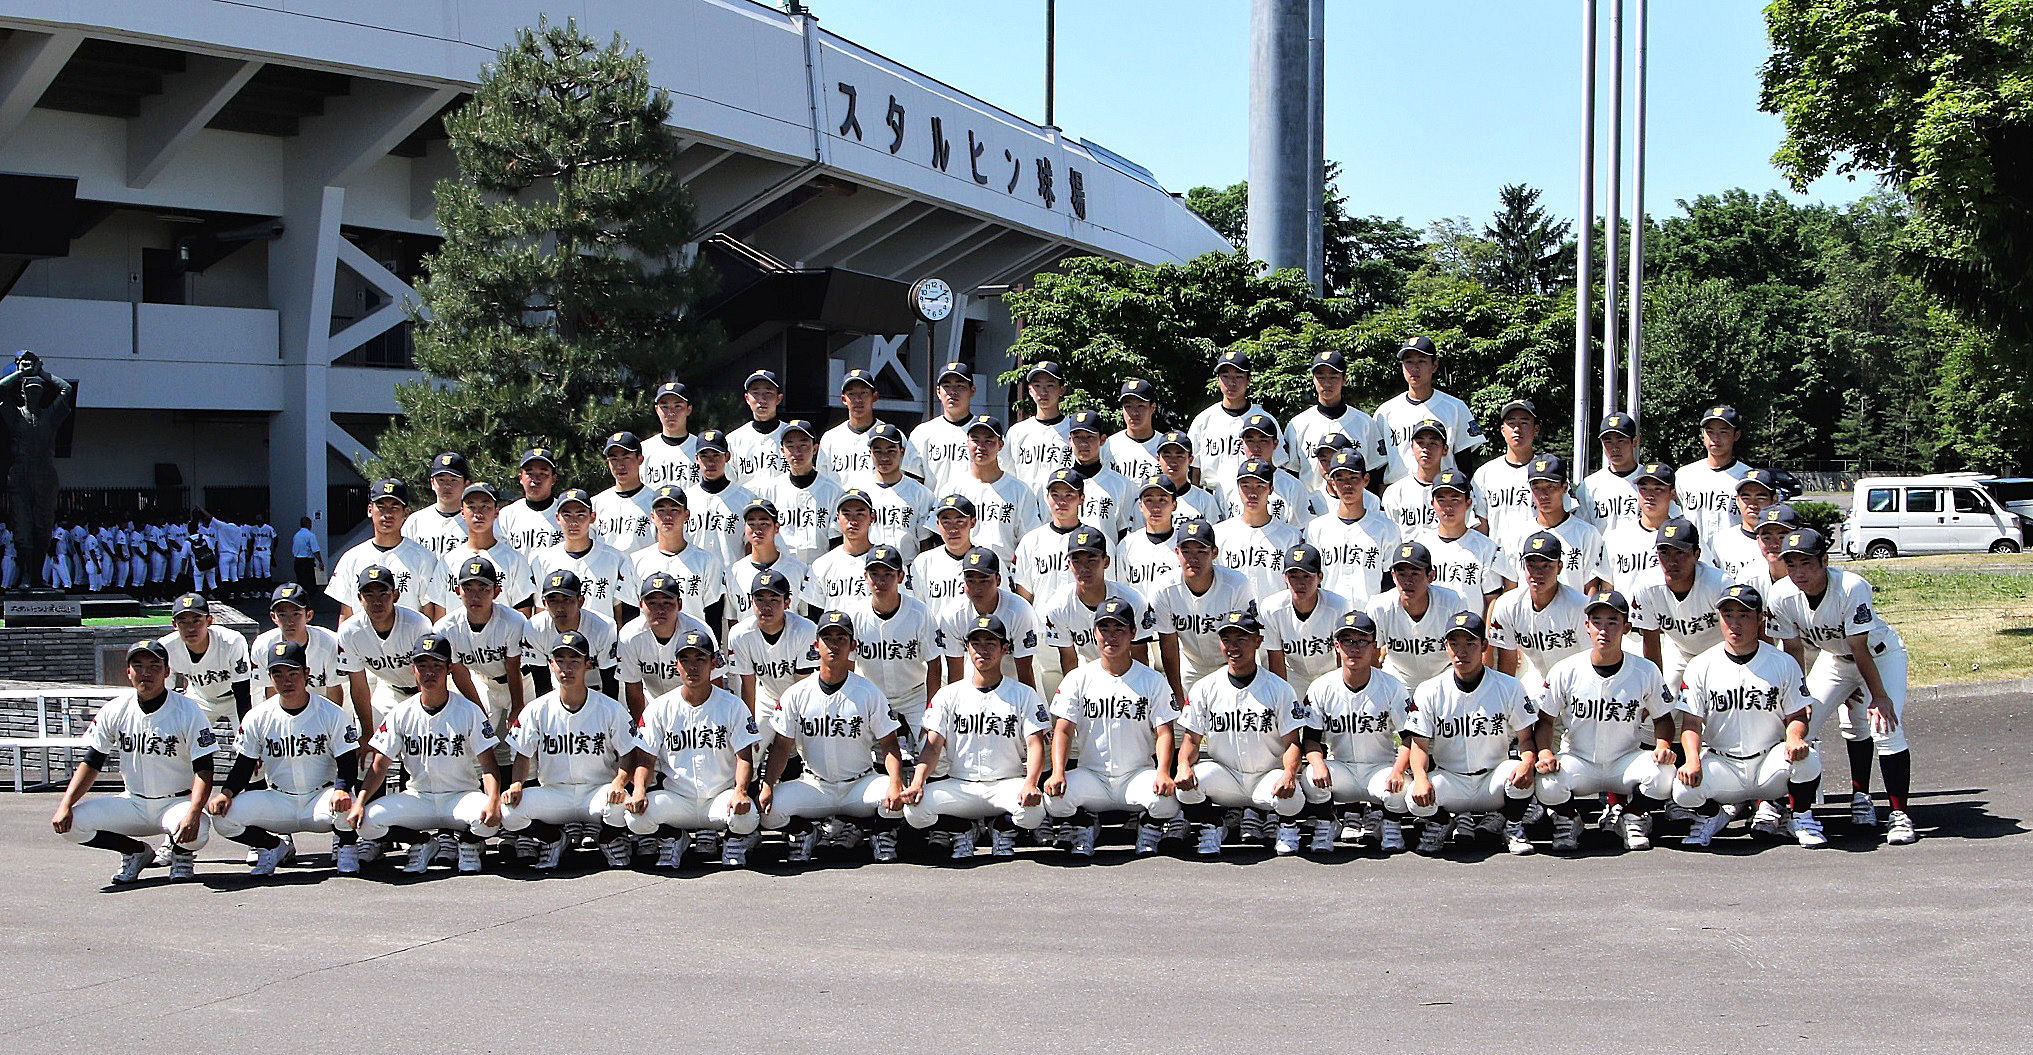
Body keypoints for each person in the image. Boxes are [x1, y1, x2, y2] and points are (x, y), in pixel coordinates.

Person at [1767, 527, 1917, 845]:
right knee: (1800, 728)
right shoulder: (1781, 594)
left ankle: (1899, 815)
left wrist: (1879, 696)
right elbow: (1793, 651)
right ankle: (1803, 811)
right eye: (1791, 563)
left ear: (1824, 560)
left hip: (1880, 657)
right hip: (1834, 659)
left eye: (1806, 563)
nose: (1798, 571)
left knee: (1884, 726)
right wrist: (1798, 697)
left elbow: (1860, 648)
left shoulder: (1851, 586)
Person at [1673, 583, 1826, 849]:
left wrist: (1794, 737)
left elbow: (1798, 714)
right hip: (1724, 765)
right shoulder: (1700, 666)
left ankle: (1800, 817)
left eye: (1743, 615)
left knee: (1807, 758)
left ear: (1760, 619)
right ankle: (1713, 817)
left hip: (1770, 763)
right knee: (1682, 789)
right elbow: (1691, 723)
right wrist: (1692, 759)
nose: (1735, 623)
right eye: (1728, 614)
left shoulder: (1782, 662)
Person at [50, 639, 215, 883]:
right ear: (128, 672)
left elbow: (204, 769)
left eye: (154, 666)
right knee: (71, 824)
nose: (145, 673)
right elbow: (92, 762)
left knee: (198, 828)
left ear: (167, 672)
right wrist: (65, 804)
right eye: (138, 666)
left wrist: (193, 810)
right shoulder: (115, 709)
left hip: (174, 803)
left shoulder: (187, 710)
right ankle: (135, 852)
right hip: (133, 802)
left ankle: (181, 854)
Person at [1531, 590, 1679, 852]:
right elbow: (1545, 720)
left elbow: (1663, 717)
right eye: (1597, 621)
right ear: (1586, 626)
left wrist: (1663, 745)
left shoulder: (1645, 670)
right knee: (1547, 783)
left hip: (1625, 760)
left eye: (1613, 622)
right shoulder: (1566, 670)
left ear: (1626, 627)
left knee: (1664, 773)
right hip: (1579, 759)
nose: (1604, 630)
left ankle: (1631, 816)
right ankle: (1569, 818)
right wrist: (1544, 752)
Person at [759, 611, 909, 863]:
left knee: (901, 797)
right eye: (827, 638)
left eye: (841, 638)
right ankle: (809, 832)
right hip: (815, 786)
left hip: (859, 786)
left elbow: (889, 744)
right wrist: (767, 784)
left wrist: (895, 782)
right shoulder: (796, 694)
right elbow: (781, 747)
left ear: (853, 646)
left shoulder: (868, 692)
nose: (834, 644)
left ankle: (879, 831)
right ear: (815, 645)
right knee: (767, 812)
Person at [349, 633, 504, 874]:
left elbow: (489, 766)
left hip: (460, 796)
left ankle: (469, 843)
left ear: (449, 669)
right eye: (422, 665)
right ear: (413, 670)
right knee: (365, 822)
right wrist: (359, 802)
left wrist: (494, 801)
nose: (429, 672)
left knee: (492, 816)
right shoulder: (401, 713)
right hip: (418, 798)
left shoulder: (468, 710)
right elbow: (380, 765)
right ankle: (421, 843)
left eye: (436, 666)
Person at [1043, 596, 1184, 856]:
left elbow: (1164, 732)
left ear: (1133, 632)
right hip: (1092, 775)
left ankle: (1149, 824)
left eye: (1119, 629)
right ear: (1094, 632)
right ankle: (1084, 824)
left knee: (1168, 800)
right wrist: (1058, 771)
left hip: (1137, 774)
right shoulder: (1078, 678)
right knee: (1054, 797)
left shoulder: (1152, 680)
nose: (1111, 637)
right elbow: (1063, 729)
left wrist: (1164, 772)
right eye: (1104, 629)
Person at [901, 614, 1050, 859]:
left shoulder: (1023, 694)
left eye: (990, 644)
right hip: (961, 785)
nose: (983, 650)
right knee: (914, 811)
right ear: (967, 648)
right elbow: (932, 747)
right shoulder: (948, 695)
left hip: (1005, 784)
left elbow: (1035, 745)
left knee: (1033, 813)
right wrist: (918, 781)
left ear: (1005, 649)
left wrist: (1031, 782)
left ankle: (1002, 827)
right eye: (976, 643)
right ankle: (961, 828)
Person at [1174, 610, 1321, 856]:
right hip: (1225, 775)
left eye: (1241, 639)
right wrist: (1183, 766)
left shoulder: (1279, 688)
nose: (1233, 646)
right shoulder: (1205, 688)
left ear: (1258, 641)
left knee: (1292, 795)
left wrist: (1288, 773)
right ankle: (1213, 824)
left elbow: (1292, 743)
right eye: (1227, 639)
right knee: (1185, 787)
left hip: (1267, 775)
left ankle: (1287, 826)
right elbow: (1191, 739)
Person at [207, 640, 360, 875]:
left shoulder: (331, 712)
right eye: (277, 674)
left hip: (320, 799)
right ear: (269, 677)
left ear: (306, 673)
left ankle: (347, 847)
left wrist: (341, 789)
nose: (286, 680)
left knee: (347, 801)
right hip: (279, 799)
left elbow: (347, 760)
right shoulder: (257, 717)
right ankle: (273, 846)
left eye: (292, 672)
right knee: (222, 818)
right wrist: (226, 793)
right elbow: (244, 764)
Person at [1401, 611, 1542, 856]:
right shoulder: (1429, 690)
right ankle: (1442, 821)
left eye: (1470, 643)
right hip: (1451, 779)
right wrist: (1421, 777)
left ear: (1484, 646)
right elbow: (1420, 746)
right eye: (1454, 643)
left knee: (1520, 772)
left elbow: (1526, 738)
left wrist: (1528, 761)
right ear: (1445, 646)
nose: (1461, 651)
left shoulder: (1508, 686)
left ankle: (1513, 824)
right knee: (1413, 797)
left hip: (1493, 780)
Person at [499, 631, 640, 870]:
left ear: (588, 664)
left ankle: (607, 838)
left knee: (621, 804)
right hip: (555, 793)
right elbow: (523, 754)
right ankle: (554, 838)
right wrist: (516, 784)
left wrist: (620, 781)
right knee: (508, 812)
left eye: (574, 661)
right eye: (560, 661)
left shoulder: (609, 707)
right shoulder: (537, 709)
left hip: (597, 792)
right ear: (551, 664)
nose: (567, 668)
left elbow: (629, 753)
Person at [626, 629, 765, 869]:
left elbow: (744, 757)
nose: (693, 667)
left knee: (748, 816)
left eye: (700, 659)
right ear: (676, 665)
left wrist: (741, 791)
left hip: (719, 798)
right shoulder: (659, 708)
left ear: (713, 664)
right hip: (677, 799)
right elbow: (646, 759)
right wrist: (639, 789)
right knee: (635, 817)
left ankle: (735, 838)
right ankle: (674, 837)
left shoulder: (732, 705)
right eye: (685, 660)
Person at [1299, 612, 1415, 854]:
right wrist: (1318, 763)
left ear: (1374, 646)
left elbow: (1409, 738)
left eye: (1362, 641)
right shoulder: (1321, 687)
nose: (1355, 648)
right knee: (1311, 776)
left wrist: (1397, 769)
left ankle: (1390, 824)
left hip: (1379, 769)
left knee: (1404, 785)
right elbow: (1310, 738)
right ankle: (1326, 822)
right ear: (1336, 646)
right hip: (1340, 769)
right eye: (1347, 641)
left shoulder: (1391, 686)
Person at [433, 556, 532, 761]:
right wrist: (477, 712)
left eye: (483, 588)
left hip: (522, 682)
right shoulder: (445, 628)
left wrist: (517, 706)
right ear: (458, 591)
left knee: (524, 745)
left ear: (496, 592)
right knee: (475, 741)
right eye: (468, 588)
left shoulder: (513, 621)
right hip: (483, 681)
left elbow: (513, 666)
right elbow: (460, 673)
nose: (475, 596)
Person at [1147, 518, 1254, 706]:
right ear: (1176, 552)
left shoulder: (1236, 584)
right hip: (1190, 663)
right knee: (1178, 727)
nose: (1193, 558)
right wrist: (1177, 693)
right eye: (1186, 551)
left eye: (1201, 551)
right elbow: (1169, 645)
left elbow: (1243, 639)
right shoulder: (1164, 588)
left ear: (1214, 553)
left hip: (1230, 663)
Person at [842, 546, 940, 744]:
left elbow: (935, 663)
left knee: (936, 752)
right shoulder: (854, 615)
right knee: (852, 749)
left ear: (901, 576)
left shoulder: (919, 612)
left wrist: (931, 710)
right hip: (871, 695)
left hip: (914, 695)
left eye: (888, 574)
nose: (881, 581)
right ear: (866, 577)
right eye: (875, 574)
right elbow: (848, 667)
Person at [725, 568, 818, 766]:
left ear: (787, 602)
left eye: (774, 599)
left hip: (806, 701)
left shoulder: (805, 629)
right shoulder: (740, 633)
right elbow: (748, 685)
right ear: (751, 601)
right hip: (767, 697)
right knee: (750, 747)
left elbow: (801, 686)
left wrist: (787, 728)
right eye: (760, 599)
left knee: (808, 752)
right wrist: (748, 728)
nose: (766, 606)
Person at [1487, 532, 1591, 696]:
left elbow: (1589, 659)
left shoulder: (1579, 605)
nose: (1538, 573)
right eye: (1531, 565)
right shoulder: (1507, 605)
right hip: (1531, 687)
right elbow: (1507, 663)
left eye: (1546, 565)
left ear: (1559, 567)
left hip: (1574, 687)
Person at [1629, 518, 1728, 688]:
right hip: (1680, 652)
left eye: (1680, 552)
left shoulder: (1719, 583)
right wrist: (1656, 689)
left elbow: (1735, 635)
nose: (1671, 561)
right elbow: (1651, 641)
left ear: (1697, 554)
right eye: (1664, 552)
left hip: (1720, 653)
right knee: (1660, 707)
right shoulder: (1647, 585)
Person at [334, 565, 434, 732]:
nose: (377, 602)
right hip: (390, 689)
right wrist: (366, 732)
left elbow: (427, 673)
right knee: (369, 746)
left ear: (395, 595)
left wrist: (425, 711)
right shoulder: (349, 631)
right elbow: (358, 686)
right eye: (369, 595)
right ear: (359, 598)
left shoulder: (417, 624)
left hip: (427, 690)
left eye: (383, 594)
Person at [1374, 336, 1484, 486]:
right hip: (1397, 496)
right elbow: (1377, 465)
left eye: (1422, 361)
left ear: (1434, 365)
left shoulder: (1455, 407)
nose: (1414, 368)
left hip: (1444, 493)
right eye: (1409, 362)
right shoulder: (1385, 412)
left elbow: (1465, 462)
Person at [328, 478, 442, 620]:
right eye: (381, 507)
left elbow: (429, 611)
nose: (387, 514)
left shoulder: (423, 558)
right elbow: (346, 612)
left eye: (394, 507)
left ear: (405, 513)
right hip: (363, 640)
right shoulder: (351, 558)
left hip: (409, 639)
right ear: (370, 510)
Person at [1496, 455, 1610, 595]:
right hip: (1527, 615)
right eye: (1537, 487)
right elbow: (1510, 588)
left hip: (1572, 615)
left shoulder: (1587, 534)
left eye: (1551, 487)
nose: (1543, 495)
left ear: (1564, 487)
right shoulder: (1516, 534)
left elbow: (1590, 589)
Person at [1365, 542, 1471, 690]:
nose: (1408, 581)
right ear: (1393, 577)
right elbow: (1371, 655)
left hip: (1444, 679)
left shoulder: (1454, 602)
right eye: (1401, 574)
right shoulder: (1379, 606)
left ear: (1431, 576)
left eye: (1415, 573)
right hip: (1398, 681)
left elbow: (1465, 649)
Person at [933, 548, 1040, 692]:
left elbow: (1025, 672)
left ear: (998, 580)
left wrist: (1028, 707)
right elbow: (955, 674)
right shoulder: (953, 614)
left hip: (1015, 674)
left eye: (984, 581)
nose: (977, 588)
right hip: (977, 673)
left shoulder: (1020, 610)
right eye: (970, 581)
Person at [1284, 350, 1389, 497]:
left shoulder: (1364, 423)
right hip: (1311, 508)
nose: (1326, 383)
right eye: (1320, 377)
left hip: (1355, 507)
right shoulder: (1297, 425)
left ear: (1344, 379)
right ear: (1313, 379)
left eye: (1333, 377)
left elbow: (1375, 472)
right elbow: (1292, 473)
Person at [528, 488, 640, 625]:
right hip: (559, 643)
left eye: (580, 515)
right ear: (557, 517)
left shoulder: (616, 559)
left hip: (602, 641)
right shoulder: (542, 560)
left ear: (592, 517)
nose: (573, 522)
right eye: (567, 515)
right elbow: (541, 610)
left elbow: (620, 612)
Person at [615, 571, 717, 720]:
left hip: (695, 705)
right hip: (651, 703)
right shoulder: (629, 636)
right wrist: (642, 730)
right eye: (652, 603)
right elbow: (633, 687)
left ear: (680, 604)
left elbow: (715, 680)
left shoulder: (700, 631)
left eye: (667, 603)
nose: (660, 610)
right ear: (641, 605)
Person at [1305, 450, 1400, 605]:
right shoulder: (1316, 529)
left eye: (1353, 478)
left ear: (1366, 479)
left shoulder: (1387, 528)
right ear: (1333, 483)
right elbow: (1312, 579)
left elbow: (1391, 581)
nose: (1347, 485)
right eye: (1340, 479)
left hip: (1371, 616)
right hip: (1329, 614)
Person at [631, 483, 727, 632]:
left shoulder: (707, 561)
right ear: (652, 516)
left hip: (694, 649)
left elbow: (713, 615)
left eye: (674, 510)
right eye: (661, 510)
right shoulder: (636, 561)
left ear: (686, 515)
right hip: (648, 649)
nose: (667, 516)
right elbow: (631, 615)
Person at [157, 592, 252, 742]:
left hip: (234, 697)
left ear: (209, 621)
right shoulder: (166, 647)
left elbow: (243, 693)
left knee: (250, 745)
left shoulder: (232, 641)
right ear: (174, 624)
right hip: (200, 697)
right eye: (183, 622)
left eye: (197, 621)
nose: (190, 628)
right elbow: (165, 693)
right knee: (183, 743)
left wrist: (245, 734)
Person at [430, 482, 535, 614]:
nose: (478, 513)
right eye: (471, 506)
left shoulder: (514, 560)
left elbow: (523, 614)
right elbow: (440, 615)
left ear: (496, 511)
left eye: (485, 506)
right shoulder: (448, 561)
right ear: (462, 511)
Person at [945, 415, 1038, 562]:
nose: (981, 446)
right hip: (960, 571)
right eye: (975, 440)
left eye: (989, 441)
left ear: (1000, 445)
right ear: (967, 443)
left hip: (1003, 573)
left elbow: (1030, 541)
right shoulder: (952, 489)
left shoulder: (1019, 491)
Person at [1259, 543, 1352, 690]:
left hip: (1330, 676)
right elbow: (1276, 659)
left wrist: (1340, 691)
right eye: (1293, 576)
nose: (1299, 583)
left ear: (1320, 577)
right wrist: (1284, 698)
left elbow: (1343, 657)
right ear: (1284, 577)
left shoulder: (1338, 606)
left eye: (1306, 576)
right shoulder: (1272, 608)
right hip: (1293, 677)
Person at [753, 418, 843, 567]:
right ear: (782, 450)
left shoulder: (833, 491)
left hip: (819, 570)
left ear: (814, 449)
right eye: (790, 445)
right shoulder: (769, 491)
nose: (797, 452)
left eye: (803, 445)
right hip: (780, 571)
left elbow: (837, 539)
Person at [910, 361, 1007, 496]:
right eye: (947, 386)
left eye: (960, 386)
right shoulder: (922, 433)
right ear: (938, 391)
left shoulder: (987, 432)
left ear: (972, 390)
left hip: (977, 511)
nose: (953, 392)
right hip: (937, 512)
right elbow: (913, 483)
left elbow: (1001, 477)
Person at [1414, 469, 1502, 614]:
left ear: (1468, 503)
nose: (1448, 507)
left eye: (1455, 499)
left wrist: (1485, 635)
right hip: (1431, 632)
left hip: (1469, 633)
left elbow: (1491, 599)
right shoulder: (1420, 545)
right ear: (1432, 503)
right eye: (1441, 500)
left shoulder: (1486, 547)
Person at [1011, 469, 1104, 605]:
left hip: (1084, 623)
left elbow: (1105, 589)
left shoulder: (1096, 540)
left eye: (1069, 495)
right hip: (1042, 623)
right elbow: (1023, 597)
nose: (1061, 501)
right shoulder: (1031, 541)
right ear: (1047, 498)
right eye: (1055, 495)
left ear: (1081, 499)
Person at [1214, 457, 1301, 598]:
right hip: (1231, 617)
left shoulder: (1291, 536)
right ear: (1238, 488)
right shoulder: (1219, 534)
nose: (1252, 493)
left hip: (1274, 618)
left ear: (1271, 489)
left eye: (1260, 486)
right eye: (1246, 486)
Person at [1187, 348, 1271, 489]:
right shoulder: (1203, 420)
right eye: (1225, 376)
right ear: (1218, 379)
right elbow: (1194, 469)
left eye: (1238, 376)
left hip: (1251, 496)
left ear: (1249, 379)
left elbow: (1276, 464)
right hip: (1211, 496)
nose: (1231, 383)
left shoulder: (1265, 419)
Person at [849, 421, 935, 559]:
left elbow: (925, 543)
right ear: (869, 453)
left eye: (891, 450)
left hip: (907, 570)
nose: (884, 457)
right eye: (878, 451)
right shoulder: (858, 491)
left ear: (902, 452)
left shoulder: (921, 493)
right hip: (869, 569)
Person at [721, 498, 811, 628]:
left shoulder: (799, 570)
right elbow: (733, 621)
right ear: (744, 528)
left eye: (764, 523)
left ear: (777, 527)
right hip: (749, 646)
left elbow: (806, 618)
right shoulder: (733, 572)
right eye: (751, 523)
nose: (757, 529)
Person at [250, 582, 345, 703]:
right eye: (282, 615)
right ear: (273, 617)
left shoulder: (329, 642)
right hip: (284, 703)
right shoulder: (262, 646)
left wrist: (333, 721)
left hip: (323, 702)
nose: (289, 621)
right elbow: (270, 691)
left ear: (309, 615)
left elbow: (334, 689)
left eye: (296, 614)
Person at [819, 368, 917, 483]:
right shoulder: (830, 438)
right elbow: (823, 482)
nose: (858, 400)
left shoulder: (894, 436)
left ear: (874, 397)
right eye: (851, 394)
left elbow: (904, 481)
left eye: (864, 393)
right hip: (840, 501)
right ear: (844, 399)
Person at [1471, 398, 1544, 542]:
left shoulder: (1548, 472)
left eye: (1524, 422)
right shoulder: (1485, 474)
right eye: (1511, 423)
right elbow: (1480, 527)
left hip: (1538, 559)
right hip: (1498, 560)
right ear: (1502, 429)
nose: (1517, 429)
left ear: (1536, 428)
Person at [1677, 404, 1752, 542]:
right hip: (1693, 557)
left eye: (1723, 432)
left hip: (1732, 557)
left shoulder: (1747, 477)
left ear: (1736, 435)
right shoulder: (1684, 475)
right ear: (1703, 434)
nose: (1715, 438)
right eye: (1710, 431)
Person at [685, 430, 758, 569]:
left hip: (732, 578)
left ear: (727, 456)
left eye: (716, 455)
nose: (711, 462)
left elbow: (751, 546)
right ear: (696, 458)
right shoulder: (686, 499)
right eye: (704, 456)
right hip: (695, 577)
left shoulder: (746, 499)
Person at [1601, 463, 1679, 594]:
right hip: (1626, 613)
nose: (1649, 495)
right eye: (1643, 488)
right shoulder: (1615, 538)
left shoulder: (1683, 535)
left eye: (1658, 489)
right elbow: (1607, 588)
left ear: (1672, 494)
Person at [1380, 417, 1458, 537]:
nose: (1426, 449)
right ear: (1411, 447)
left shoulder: (1455, 491)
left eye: (1433, 443)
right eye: (1420, 443)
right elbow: (1387, 536)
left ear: (1445, 449)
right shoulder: (1395, 492)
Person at [1065, 411, 1137, 540]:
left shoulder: (1120, 484)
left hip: (1105, 557)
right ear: (1070, 440)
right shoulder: (1059, 485)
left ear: (1102, 439)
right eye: (1078, 437)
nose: (1083, 443)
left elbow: (1124, 533)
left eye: (1090, 437)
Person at [1003, 360, 1074, 492]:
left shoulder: (1073, 430)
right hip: (1025, 507)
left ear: (1061, 389)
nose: (1043, 391)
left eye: (1050, 385)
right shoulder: (1017, 432)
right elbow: (1007, 475)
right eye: (1037, 385)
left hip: (1062, 508)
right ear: (1030, 390)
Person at [808, 488, 880, 611]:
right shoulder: (821, 565)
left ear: (872, 517)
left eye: (860, 513)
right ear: (837, 518)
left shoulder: (885, 563)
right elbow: (816, 614)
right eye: (846, 514)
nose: (853, 521)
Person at [1709, 468, 1783, 585]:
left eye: (1761, 498)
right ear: (1737, 501)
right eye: (1746, 498)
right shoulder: (1718, 541)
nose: (1753, 504)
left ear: (1774, 500)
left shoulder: (1784, 541)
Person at [1579, 412, 1650, 533]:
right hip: (1602, 551)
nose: (1614, 448)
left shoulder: (1650, 481)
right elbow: (1581, 530)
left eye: (1621, 440)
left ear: (1635, 441)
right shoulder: (1589, 486)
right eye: (1608, 441)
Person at [591, 431, 656, 555]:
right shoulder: (596, 503)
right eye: (613, 459)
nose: (620, 465)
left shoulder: (654, 501)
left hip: (642, 572)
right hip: (607, 571)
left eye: (626, 458)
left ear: (640, 459)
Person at [1114, 476, 1183, 592]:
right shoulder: (1127, 545)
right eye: (1149, 500)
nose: (1156, 507)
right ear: (1140, 506)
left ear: (1174, 505)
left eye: (1162, 500)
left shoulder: (1183, 544)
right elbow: (1123, 590)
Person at [911, 494, 979, 611]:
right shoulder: (923, 562)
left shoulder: (987, 560)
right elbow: (917, 610)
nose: (953, 529)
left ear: (972, 522)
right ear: (937, 524)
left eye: (960, 521)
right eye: (946, 522)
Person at [727, 368, 791, 486]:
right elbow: (729, 483)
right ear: (747, 398)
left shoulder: (791, 436)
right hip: (746, 503)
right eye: (755, 393)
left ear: (779, 398)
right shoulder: (733, 440)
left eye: (768, 393)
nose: (762, 399)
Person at [496, 447, 565, 555]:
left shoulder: (565, 514)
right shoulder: (506, 515)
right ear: (520, 478)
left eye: (543, 473)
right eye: (530, 473)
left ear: (553, 479)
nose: (536, 479)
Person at [404, 452, 472, 558]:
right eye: (441, 480)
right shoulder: (415, 521)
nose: (447, 485)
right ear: (432, 483)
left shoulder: (475, 521)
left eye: (454, 480)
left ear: (466, 484)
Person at [641, 379, 701, 490]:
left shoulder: (701, 448)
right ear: (656, 410)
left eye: (678, 406)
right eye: (665, 407)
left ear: (689, 409)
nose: (671, 413)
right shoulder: (644, 450)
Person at [1104, 378, 1165, 484]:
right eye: (1128, 406)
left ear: (1153, 407)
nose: (1134, 412)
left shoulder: (1164, 445)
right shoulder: (1109, 445)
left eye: (1141, 406)